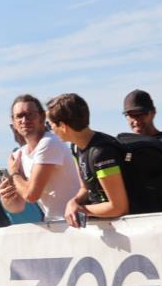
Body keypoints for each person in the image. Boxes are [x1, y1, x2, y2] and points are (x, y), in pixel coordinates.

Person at [47, 93, 130, 227]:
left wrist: (82, 210)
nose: (50, 129)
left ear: (62, 125)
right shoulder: (76, 147)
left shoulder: (102, 153)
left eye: (50, 124)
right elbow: (86, 188)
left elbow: (119, 207)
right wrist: (73, 202)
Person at [0, 94, 80, 221]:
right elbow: (17, 207)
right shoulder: (19, 155)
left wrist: (14, 173)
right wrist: (6, 198)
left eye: (29, 114)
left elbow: (31, 196)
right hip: (56, 224)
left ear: (42, 116)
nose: (24, 120)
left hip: (76, 223)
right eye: (19, 116)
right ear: (13, 122)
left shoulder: (49, 143)